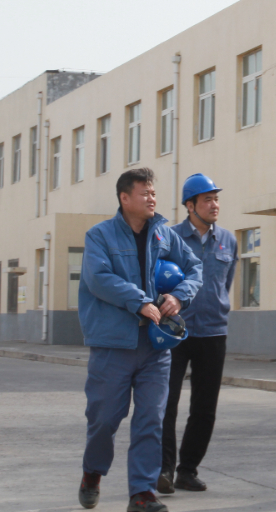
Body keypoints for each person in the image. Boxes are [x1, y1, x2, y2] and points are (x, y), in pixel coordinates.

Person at [77, 168, 203, 512]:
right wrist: (139, 301)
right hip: (113, 344)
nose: (152, 198)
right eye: (145, 193)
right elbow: (98, 277)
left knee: (151, 419)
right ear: (124, 198)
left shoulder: (164, 235)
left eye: (153, 193)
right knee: (104, 419)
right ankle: (92, 472)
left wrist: (179, 296)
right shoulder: (100, 236)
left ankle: (142, 493)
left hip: (155, 346)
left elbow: (195, 269)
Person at [158, 173, 238, 494]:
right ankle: (164, 469)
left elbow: (225, 283)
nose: (214, 205)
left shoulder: (228, 240)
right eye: (207, 200)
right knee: (166, 404)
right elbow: (157, 280)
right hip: (174, 332)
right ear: (190, 206)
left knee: (205, 408)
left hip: (213, 333)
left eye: (216, 199)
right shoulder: (169, 238)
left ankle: (187, 470)